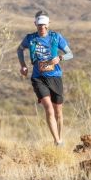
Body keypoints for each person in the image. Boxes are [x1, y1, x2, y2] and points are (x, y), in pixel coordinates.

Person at [17, 10, 73, 146]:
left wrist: (60, 58)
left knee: (58, 112)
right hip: (38, 78)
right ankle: (57, 141)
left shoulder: (56, 37)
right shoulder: (30, 38)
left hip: (55, 77)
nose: (42, 27)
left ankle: (60, 140)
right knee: (49, 109)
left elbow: (70, 53)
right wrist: (23, 66)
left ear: (48, 23)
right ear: (35, 24)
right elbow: (20, 49)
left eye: (44, 24)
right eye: (39, 24)